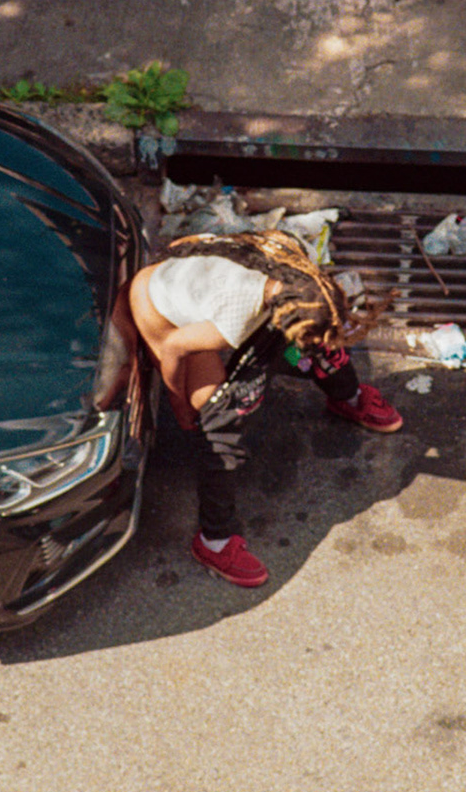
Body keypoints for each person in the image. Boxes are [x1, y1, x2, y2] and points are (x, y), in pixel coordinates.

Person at [127, 228, 402, 587]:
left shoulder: (298, 271)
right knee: (218, 415)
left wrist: (313, 344)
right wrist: (178, 405)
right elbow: (176, 347)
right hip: (163, 313)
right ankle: (214, 540)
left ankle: (346, 396)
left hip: (227, 303)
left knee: (314, 350)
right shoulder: (237, 315)